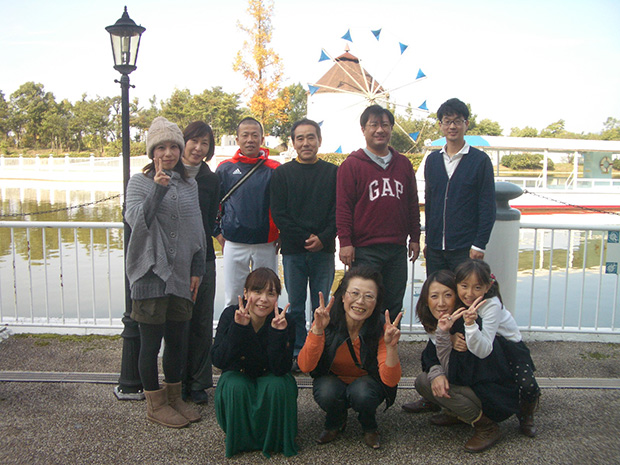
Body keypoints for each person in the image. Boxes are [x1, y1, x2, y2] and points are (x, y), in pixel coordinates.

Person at [124, 116, 206, 428]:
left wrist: (197, 268)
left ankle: (174, 398)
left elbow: (196, 229)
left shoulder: (189, 184)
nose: (169, 153)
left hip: (181, 275)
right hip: (149, 273)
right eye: (161, 147)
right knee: (150, 341)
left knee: (177, 340)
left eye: (174, 146)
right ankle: (155, 403)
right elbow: (137, 221)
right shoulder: (138, 182)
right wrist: (157, 190)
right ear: (151, 151)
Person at [411, 270, 519, 453]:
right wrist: (438, 369)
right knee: (425, 380)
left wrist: (447, 339)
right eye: (434, 296)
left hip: (493, 395)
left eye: (448, 295)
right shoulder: (444, 322)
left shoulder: (469, 326)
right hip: (472, 385)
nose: (441, 303)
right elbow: (429, 355)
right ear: (426, 300)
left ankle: (487, 427)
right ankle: (458, 414)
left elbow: (458, 374)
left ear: (457, 298)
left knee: (431, 383)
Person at [297, 266, 402, 450]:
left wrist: (391, 347)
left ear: (376, 302)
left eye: (369, 296)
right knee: (327, 391)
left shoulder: (380, 327)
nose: (360, 301)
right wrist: (317, 330)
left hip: (366, 382)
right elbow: (305, 366)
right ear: (343, 296)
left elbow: (390, 380)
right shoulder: (327, 320)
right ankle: (335, 421)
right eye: (354, 293)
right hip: (333, 379)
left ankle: (370, 426)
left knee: (361, 393)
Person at [336, 105, 421, 322]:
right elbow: (344, 207)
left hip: (396, 248)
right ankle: (364, 352)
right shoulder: (352, 165)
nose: (379, 130)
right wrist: (345, 241)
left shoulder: (403, 164)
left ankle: (389, 352)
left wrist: (415, 238)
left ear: (391, 128)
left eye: (384, 124)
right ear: (363, 129)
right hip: (365, 249)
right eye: (374, 125)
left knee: (394, 303)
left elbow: (412, 203)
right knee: (363, 303)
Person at [270, 118, 338, 362]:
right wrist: (305, 237)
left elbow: (338, 211)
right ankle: (298, 350)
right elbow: (279, 214)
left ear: (319, 141)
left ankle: (320, 350)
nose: (306, 142)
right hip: (293, 251)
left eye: (311, 137)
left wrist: (323, 238)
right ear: (293, 143)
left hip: (324, 250)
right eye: (300, 138)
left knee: (322, 306)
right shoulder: (282, 174)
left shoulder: (333, 172)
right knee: (296, 305)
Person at [211, 268, 297, 458]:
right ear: (246, 293)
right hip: (238, 372)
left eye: (271, 293)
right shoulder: (230, 314)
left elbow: (281, 369)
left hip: (269, 372)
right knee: (235, 385)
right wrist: (238, 328)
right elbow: (219, 360)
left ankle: (274, 437)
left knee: (278, 385)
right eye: (257, 292)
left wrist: (278, 333)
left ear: (277, 298)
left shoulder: (285, 320)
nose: (263, 299)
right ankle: (239, 438)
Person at [455, 259, 540, 437]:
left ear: (487, 287)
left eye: (477, 288)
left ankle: (526, 413)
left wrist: (470, 325)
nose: (469, 293)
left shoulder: (491, 304)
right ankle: (455, 412)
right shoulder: (459, 298)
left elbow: (484, 348)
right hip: (489, 341)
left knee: (526, 384)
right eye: (464, 286)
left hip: (509, 345)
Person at [424, 98, 496, 276]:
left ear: (466, 124)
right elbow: (430, 203)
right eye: (447, 122)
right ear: (441, 125)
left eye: (457, 121)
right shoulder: (432, 160)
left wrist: (480, 244)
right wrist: (427, 240)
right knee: (436, 295)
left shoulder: (480, 161)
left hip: (465, 248)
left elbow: (487, 206)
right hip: (435, 248)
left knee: (464, 296)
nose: (452, 127)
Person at [215, 117, 280, 306]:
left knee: (267, 295)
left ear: (262, 139)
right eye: (245, 135)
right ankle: (233, 333)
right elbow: (214, 205)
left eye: (254, 135)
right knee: (234, 296)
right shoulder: (225, 169)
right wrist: (217, 233)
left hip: (266, 243)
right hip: (234, 242)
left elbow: (284, 206)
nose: (250, 139)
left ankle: (265, 333)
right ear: (237, 140)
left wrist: (282, 233)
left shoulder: (275, 169)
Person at [180, 121, 220, 404]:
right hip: (173, 260)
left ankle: (198, 382)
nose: (198, 147)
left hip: (204, 257)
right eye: (194, 140)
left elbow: (211, 220)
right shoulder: (168, 173)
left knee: (202, 320)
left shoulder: (211, 179)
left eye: (204, 143)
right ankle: (175, 379)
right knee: (177, 322)